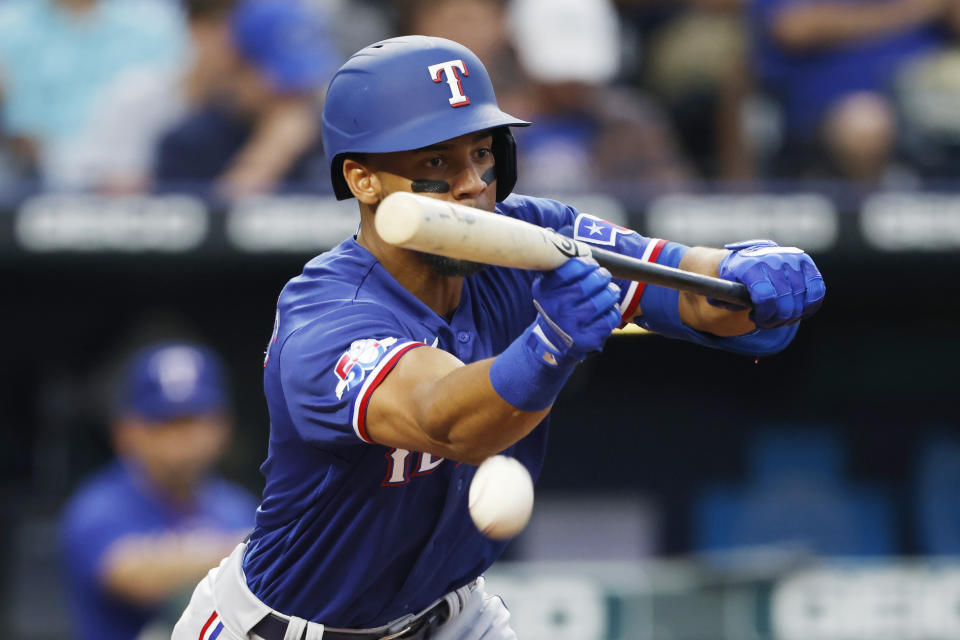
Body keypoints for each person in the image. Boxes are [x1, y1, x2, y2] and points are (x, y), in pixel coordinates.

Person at [173, 36, 825, 640]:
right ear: (361, 179)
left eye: (481, 153)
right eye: (435, 159)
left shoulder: (531, 237)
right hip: (284, 628)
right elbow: (446, 421)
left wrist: (747, 279)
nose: (471, 184)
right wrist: (550, 343)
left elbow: (692, 294)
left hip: (448, 616)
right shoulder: (327, 317)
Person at [60, 342, 257, 640]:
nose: (180, 438)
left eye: (192, 421)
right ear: (126, 431)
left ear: (222, 426)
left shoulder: (238, 506)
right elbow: (136, 578)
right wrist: (252, 551)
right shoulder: (98, 503)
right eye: (163, 422)